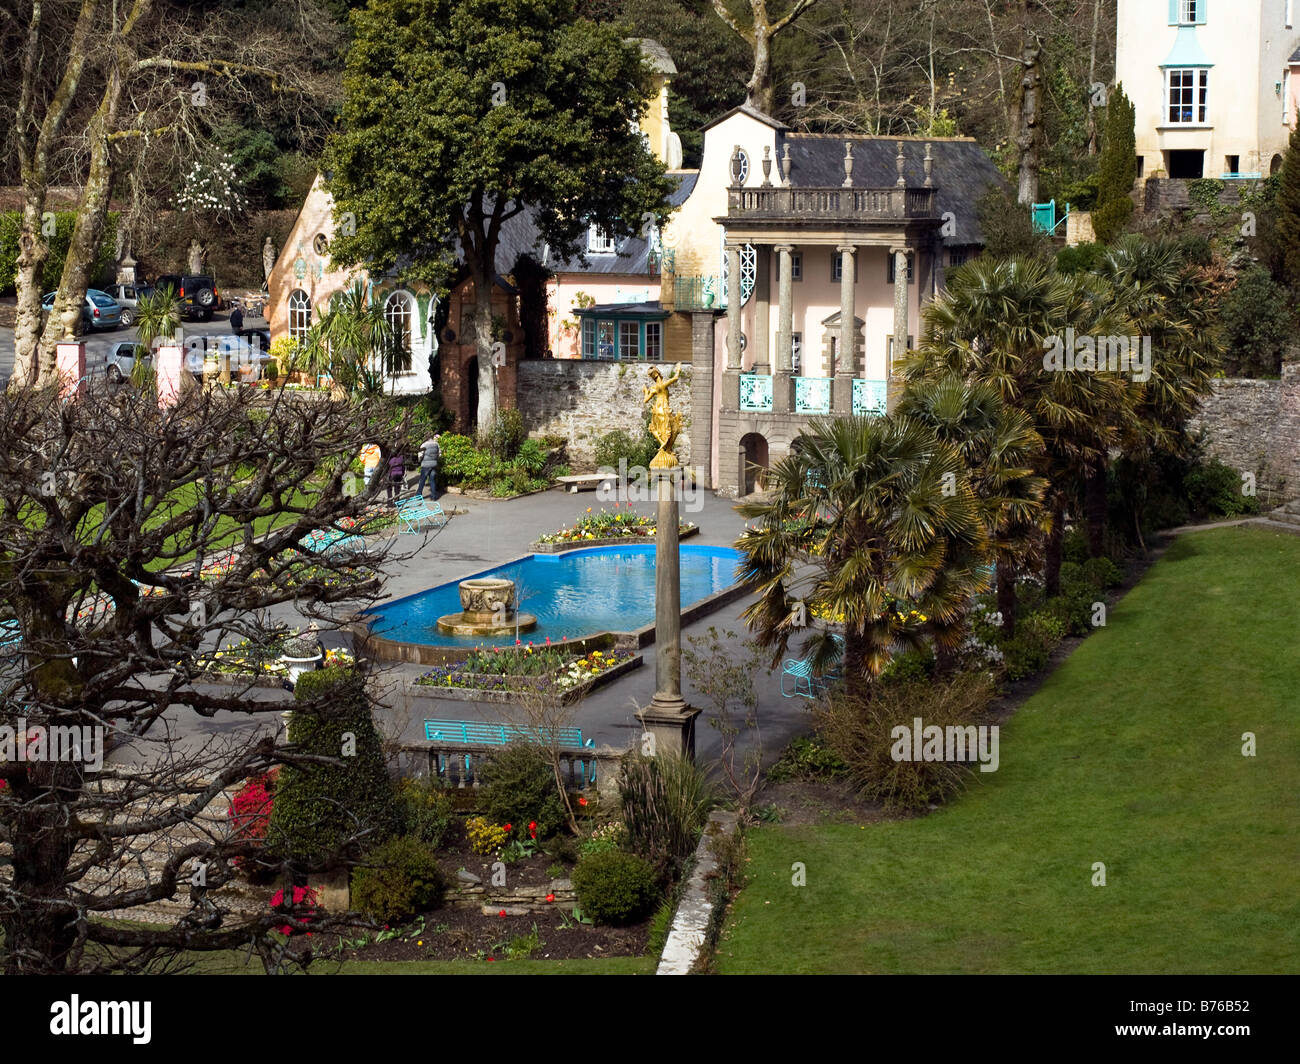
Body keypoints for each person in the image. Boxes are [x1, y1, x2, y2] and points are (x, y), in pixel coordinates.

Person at [416, 435, 440, 500]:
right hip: (434, 464)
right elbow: (439, 454)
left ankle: (418, 495)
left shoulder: (424, 444)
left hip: (426, 464)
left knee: (422, 480)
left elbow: (420, 455)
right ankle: (433, 496)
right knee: (432, 480)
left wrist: (419, 461)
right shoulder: (436, 444)